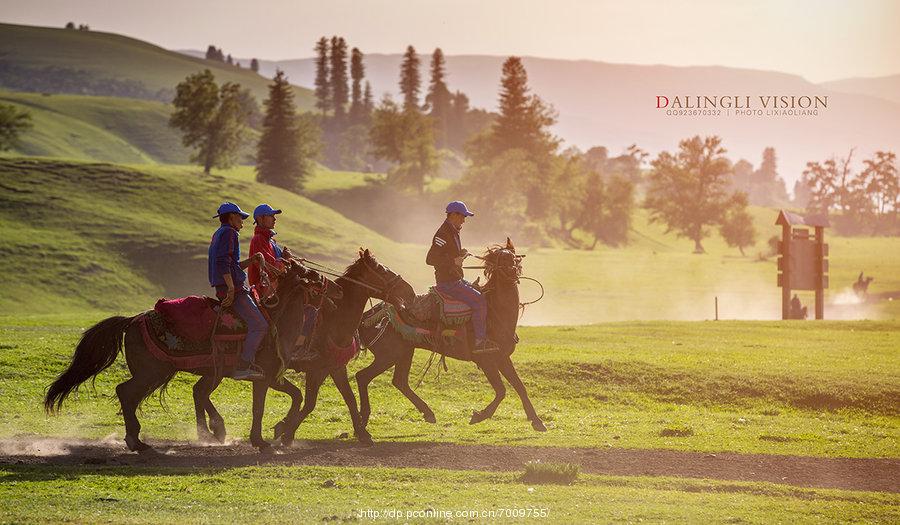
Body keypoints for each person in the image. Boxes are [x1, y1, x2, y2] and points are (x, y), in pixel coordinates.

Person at [426, 201, 498, 354]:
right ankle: (479, 342)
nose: (464, 220)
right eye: (463, 216)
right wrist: (453, 260)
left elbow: (447, 254)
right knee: (479, 300)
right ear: (453, 215)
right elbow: (430, 259)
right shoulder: (442, 233)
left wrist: (459, 255)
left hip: (455, 279)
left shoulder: (453, 230)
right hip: (448, 283)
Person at [248, 204, 318, 358]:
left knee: (311, 306)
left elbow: (281, 262)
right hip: (266, 291)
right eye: (271, 216)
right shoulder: (259, 239)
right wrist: (288, 261)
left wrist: (290, 259)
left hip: (276, 288)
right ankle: (296, 348)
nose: (275, 219)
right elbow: (272, 266)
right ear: (260, 219)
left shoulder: (271, 241)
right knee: (309, 310)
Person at [208, 202, 267, 381]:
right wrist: (232, 289)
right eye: (240, 217)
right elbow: (223, 262)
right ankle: (242, 367)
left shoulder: (219, 233)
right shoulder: (230, 233)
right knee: (260, 325)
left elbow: (233, 265)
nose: (242, 221)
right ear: (232, 217)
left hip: (227, 287)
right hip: (233, 289)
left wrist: (252, 260)